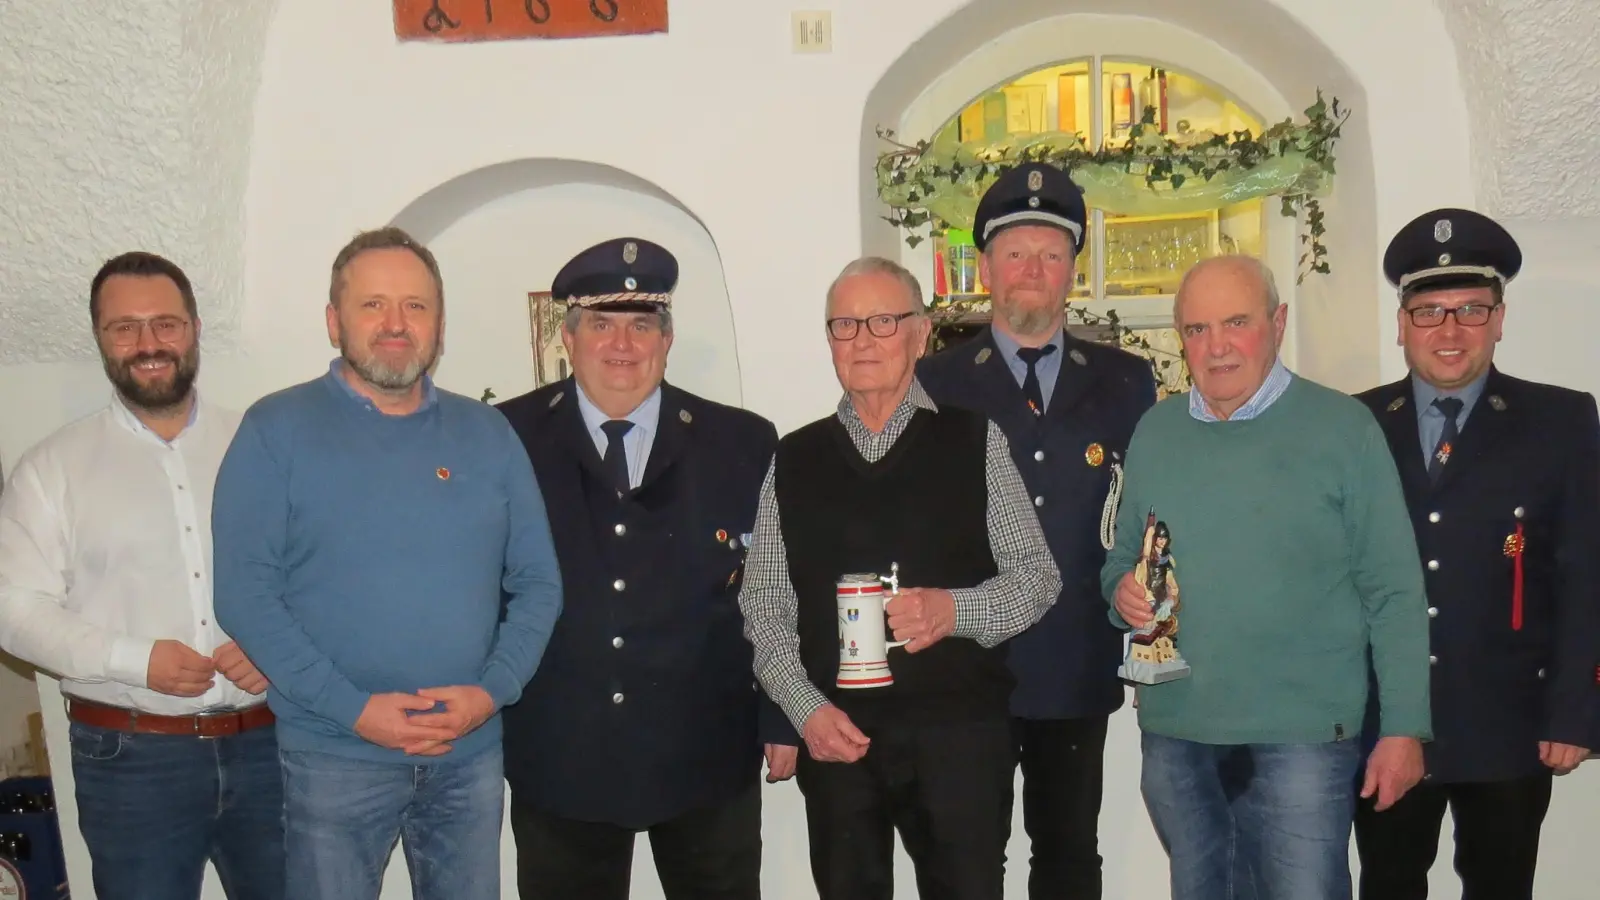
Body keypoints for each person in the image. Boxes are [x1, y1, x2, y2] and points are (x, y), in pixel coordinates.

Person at [210, 227, 564, 900]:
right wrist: (353, 710)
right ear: (333, 320)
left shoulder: (487, 434)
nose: (396, 324)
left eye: (416, 307)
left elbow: (539, 581)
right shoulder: (275, 430)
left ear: (439, 326)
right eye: (373, 305)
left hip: (469, 754)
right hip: (332, 757)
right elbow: (244, 594)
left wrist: (492, 692)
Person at [1101, 254, 1433, 900]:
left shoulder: (1343, 430)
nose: (1216, 346)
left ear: (1278, 324)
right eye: (1196, 329)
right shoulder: (1155, 430)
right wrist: (1121, 593)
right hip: (1178, 734)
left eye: (1236, 323)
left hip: (1303, 740)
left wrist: (1403, 729)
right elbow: (1121, 560)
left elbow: (1394, 590)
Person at [739, 255, 1062, 900]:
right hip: (839, 738)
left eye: (883, 322)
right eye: (845, 325)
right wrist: (806, 712)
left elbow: (1037, 579)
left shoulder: (975, 443)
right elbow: (765, 608)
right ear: (828, 341)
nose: (863, 341)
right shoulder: (795, 458)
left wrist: (955, 611)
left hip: (959, 738)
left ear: (920, 334)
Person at [495, 237, 800, 900]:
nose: (622, 346)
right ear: (568, 338)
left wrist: (783, 716)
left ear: (667, 340)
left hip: (706, 749)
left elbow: (775, 592)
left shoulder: (743, 443)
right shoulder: (506, 438)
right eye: (601, 325)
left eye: (641, 326)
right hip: (560, 751)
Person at [0, 251, 283, 900]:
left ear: (194, 329)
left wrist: (277, 646)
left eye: (165, 324)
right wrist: (133, 659)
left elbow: (319, 574)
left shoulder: (263, 445)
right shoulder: (52, 468)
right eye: (124, 327)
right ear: (98, 336)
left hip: (271, 745)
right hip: (130, 761)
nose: (148, 344)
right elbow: (13, 607)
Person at [917, 161, 1157, 900]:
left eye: (1052, 255)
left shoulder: (1126, 380)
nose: (1033, 269)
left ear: (1072, 271)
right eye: (1016, 253)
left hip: (1075, 660)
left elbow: (1145, 515)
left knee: (1068, 859)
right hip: (968, 667)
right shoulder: (936, 382)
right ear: (986, 265)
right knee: (965, 864)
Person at [1351, 208, 1600, 900]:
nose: (1451, 331)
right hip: (1388, 722)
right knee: (1388, 885)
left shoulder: (1560, 420)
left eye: (1470, 309)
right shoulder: (1358, 423)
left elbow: (1585, 574)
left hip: (1511, 722)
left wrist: (1574, 711)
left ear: (1499, 318)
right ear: (1401, 325)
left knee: (1501, 887)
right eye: (1430, 312)